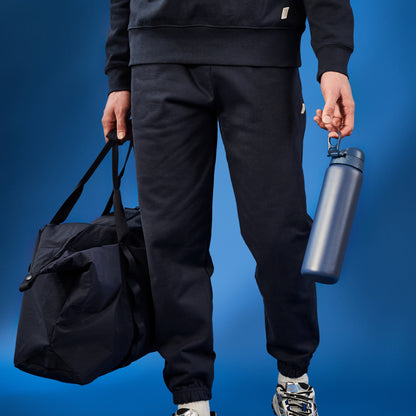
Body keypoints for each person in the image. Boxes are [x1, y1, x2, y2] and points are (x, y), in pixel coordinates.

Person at [101, 1, 355, 415]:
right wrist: (119, 75)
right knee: (172, 241)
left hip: (264, 50)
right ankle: (191, 398)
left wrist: (333, 62)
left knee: (280, 234)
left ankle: (293, 378)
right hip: (159, 58)